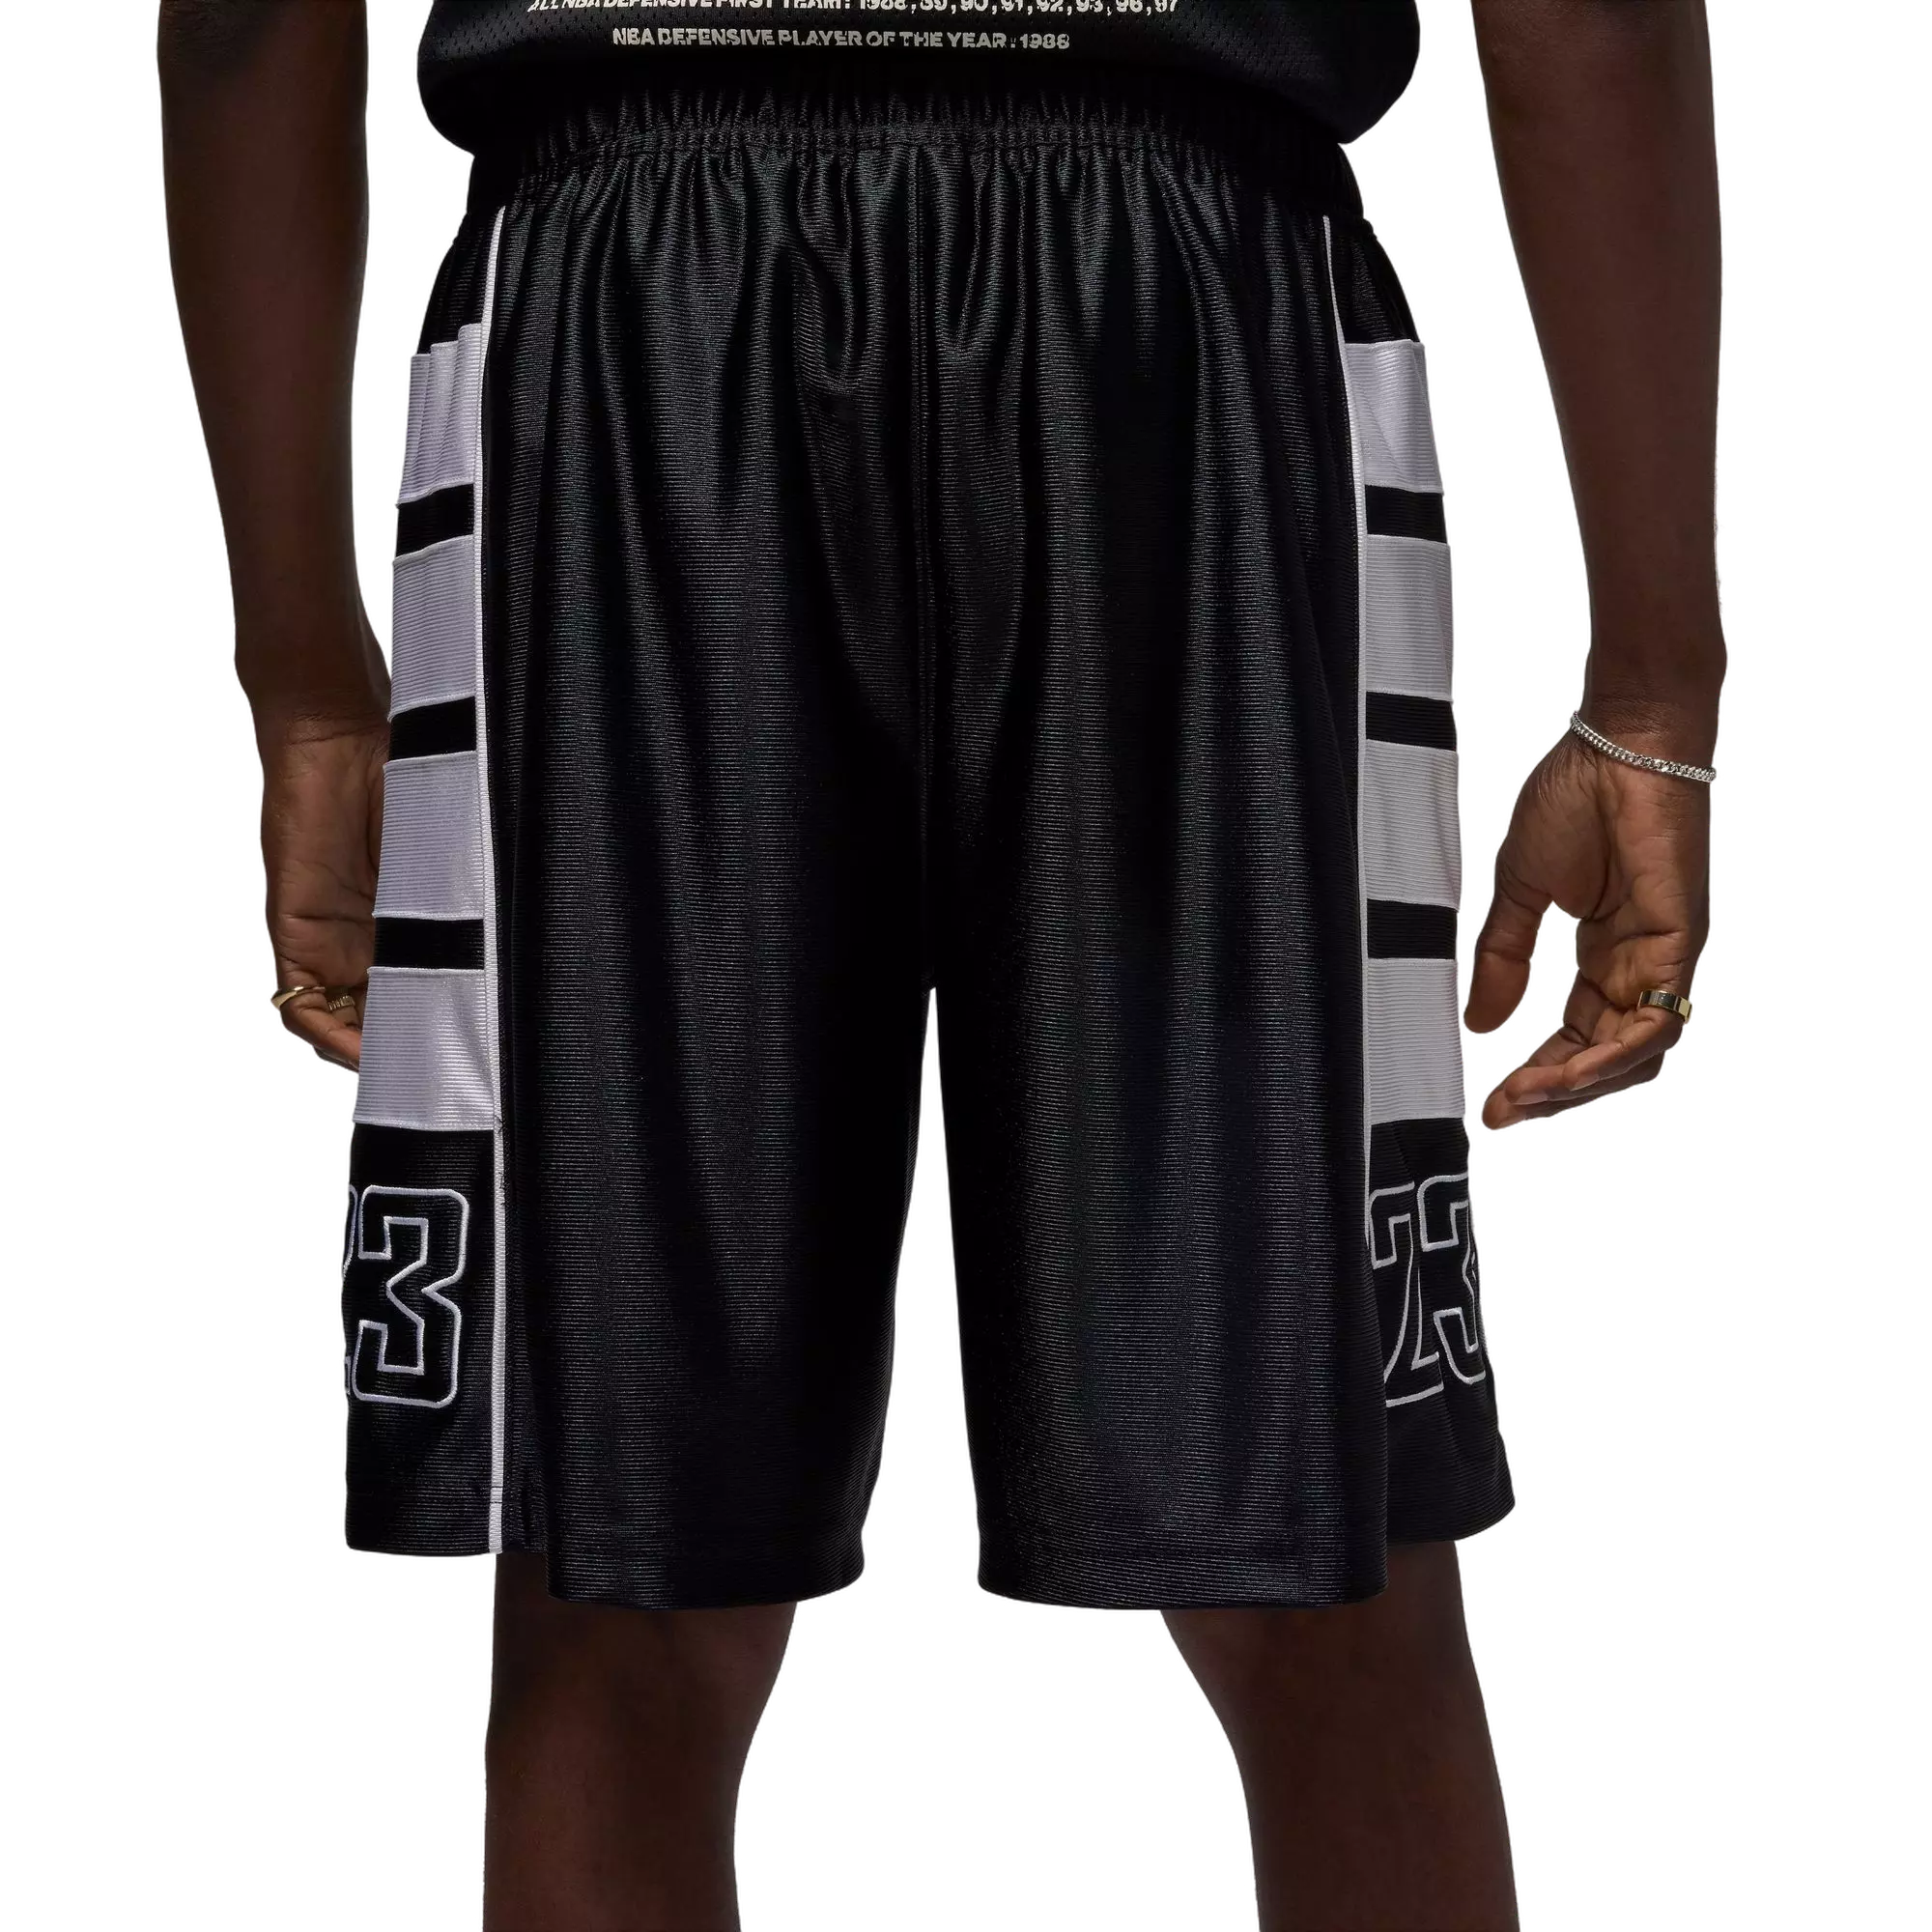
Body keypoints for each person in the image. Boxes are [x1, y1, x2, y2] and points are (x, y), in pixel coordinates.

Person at [157, 2, 1723, 1925]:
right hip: (1183, 307)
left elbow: (244, 25)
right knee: (1325, 1552)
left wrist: (306, 683)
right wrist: (1655, 688)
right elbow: (1587, 19)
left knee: (620, 1584)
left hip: (632, 320)